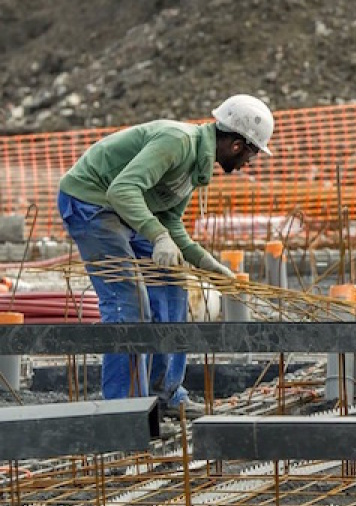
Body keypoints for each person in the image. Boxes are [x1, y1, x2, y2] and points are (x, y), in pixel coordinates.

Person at [57, 94, 274, 418]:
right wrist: (157, 237)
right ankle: (125, 413)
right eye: (253, 154)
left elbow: (170, 219)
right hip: (92, 203)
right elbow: (122, 189)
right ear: (237, 145)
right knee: (128, 303)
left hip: (127, 210)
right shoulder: (178, 142)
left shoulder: (196, 165)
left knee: (174, 286)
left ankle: (165, 394)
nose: (250, 164)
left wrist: (205, 263)